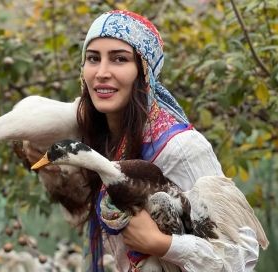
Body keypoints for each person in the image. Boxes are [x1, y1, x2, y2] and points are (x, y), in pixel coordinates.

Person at [22, 10, 260, 272]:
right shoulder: (106, 141)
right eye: (93, 58)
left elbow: (241, 256)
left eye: (119, 59)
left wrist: (163, 244)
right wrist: (52, 171)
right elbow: (88, 214)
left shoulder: (180, 147)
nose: (101, 72)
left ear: (143, 71)